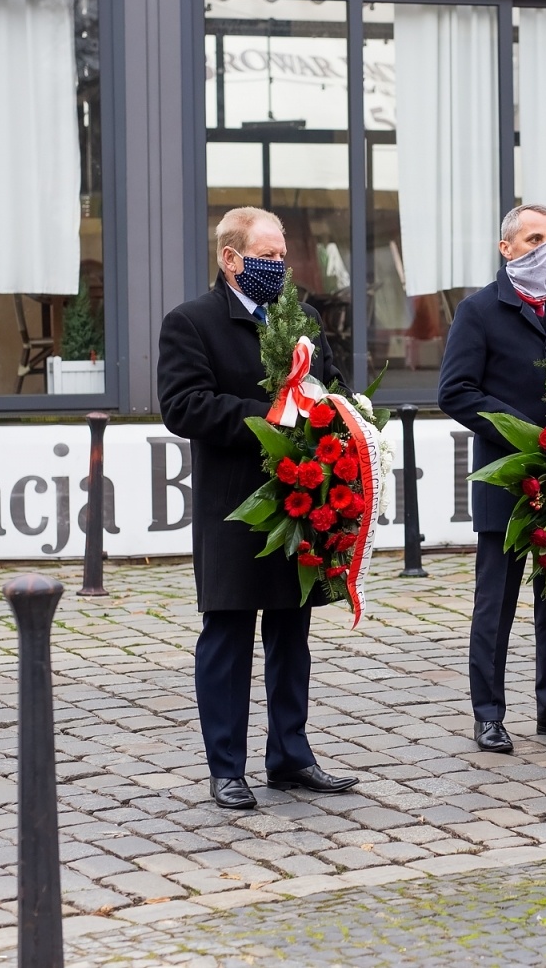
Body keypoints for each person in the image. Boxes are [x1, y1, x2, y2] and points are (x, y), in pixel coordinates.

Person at [157, 206, 359, 809]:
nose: (280, 266)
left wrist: (341, 418)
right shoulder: (191, 322)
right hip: (234, 508)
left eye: (283, 256)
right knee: (228, 636)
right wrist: (270, 419)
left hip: (301, 504)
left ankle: (290, 756)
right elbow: (184, 406)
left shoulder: (303, 319)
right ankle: (226, 767)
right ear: (230, 258)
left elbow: (334, 384)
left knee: (292, 634)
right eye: (267, 257)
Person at [437, 203, 546, 754]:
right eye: (533, 238)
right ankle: (489, 714)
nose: (545, 249)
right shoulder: (479, 310)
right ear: (506, 248)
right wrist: (523, 433)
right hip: (507, 478)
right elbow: (455, 391)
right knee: (496, 603)